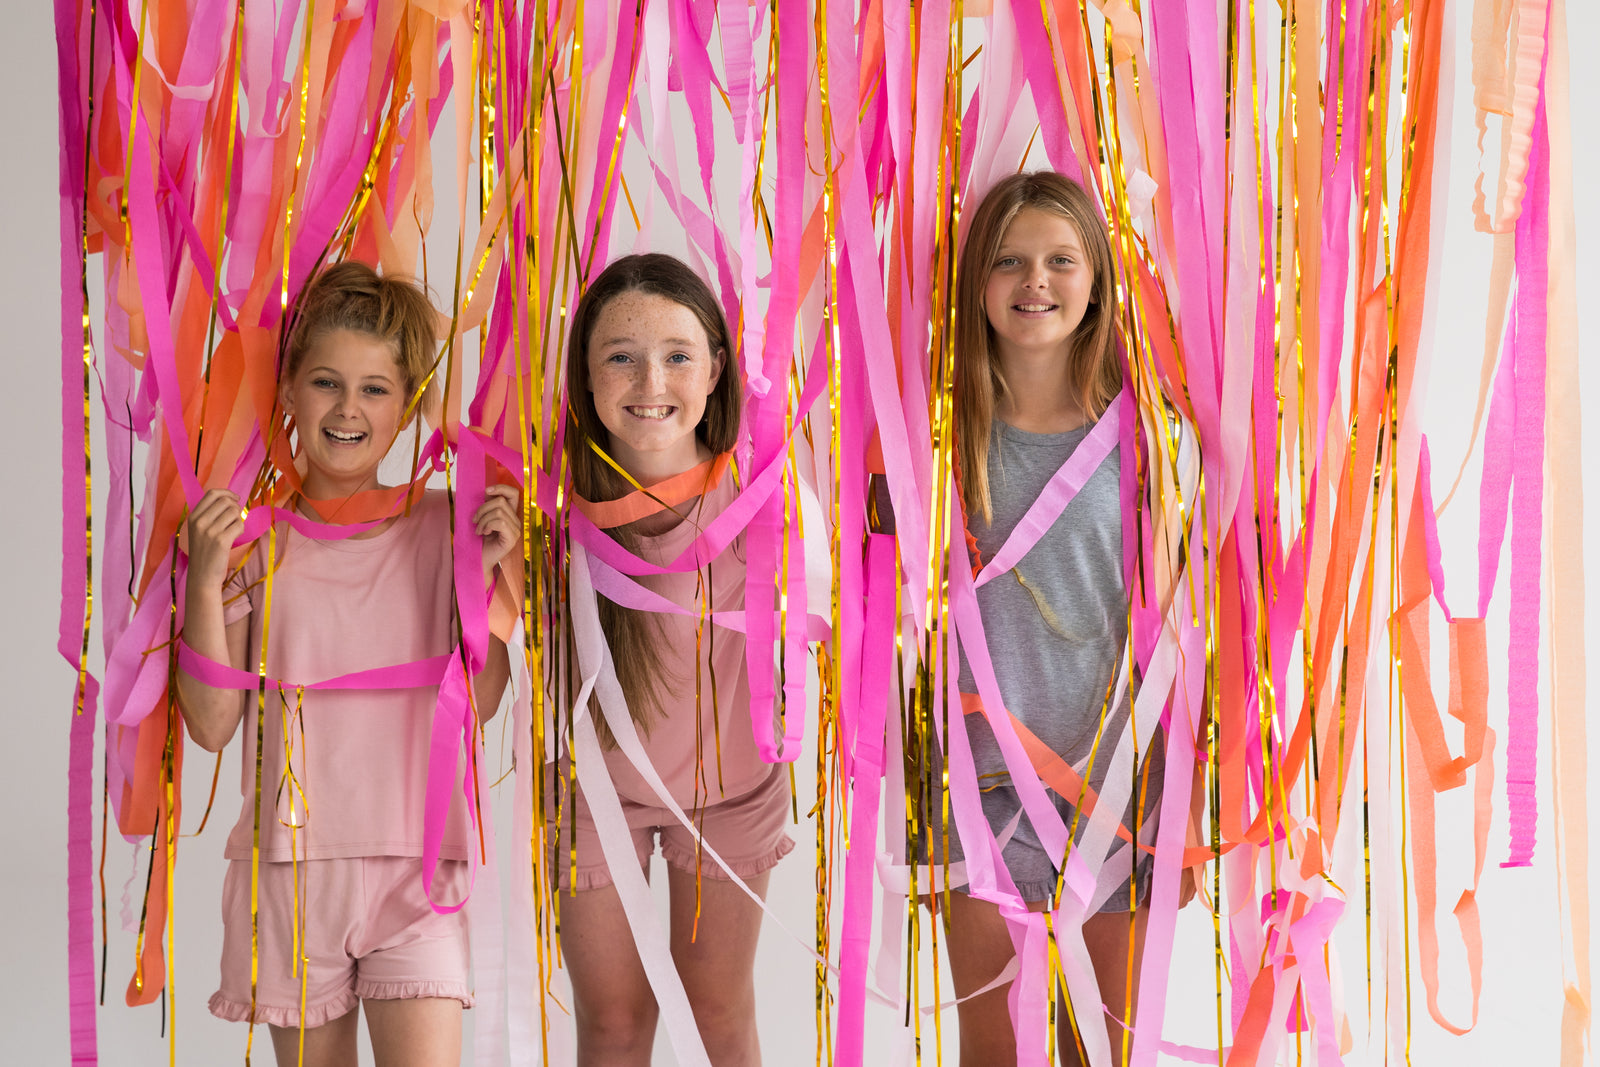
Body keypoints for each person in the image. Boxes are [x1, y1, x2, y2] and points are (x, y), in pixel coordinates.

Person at [177, 260, 518, 1067]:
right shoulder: (251, 541)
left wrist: (493, 578)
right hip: (293, 874)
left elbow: (486, 699)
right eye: (327, 382)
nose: (348, 408)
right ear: (288, 388)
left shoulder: (447, 526)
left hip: (419, 869)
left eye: (376, 389)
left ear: (407, 408)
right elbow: (212, 723)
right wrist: (201, 574)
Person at [927, 171, 1196, 1066]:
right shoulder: (938, 433)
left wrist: (1187, 815)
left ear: (1096, 282)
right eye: (1007, 260)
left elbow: (1187, 638)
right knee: (992, 1052)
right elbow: (906, 640)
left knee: (1107, 1051)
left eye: (1058, 259)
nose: (1033, 279)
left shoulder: (1148, 436)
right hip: (979, 803)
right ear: (977, 282)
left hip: (1121, 803)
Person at [549, 253, 792, 1066]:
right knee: (613, 1025)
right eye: (620, 354)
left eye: (678, 355)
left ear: (717, 369)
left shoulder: (769, 491)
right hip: (595, 797)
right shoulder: (549, 504)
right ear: (585, 374)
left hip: (731, 796)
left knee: (719, 1014)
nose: (649, 378)